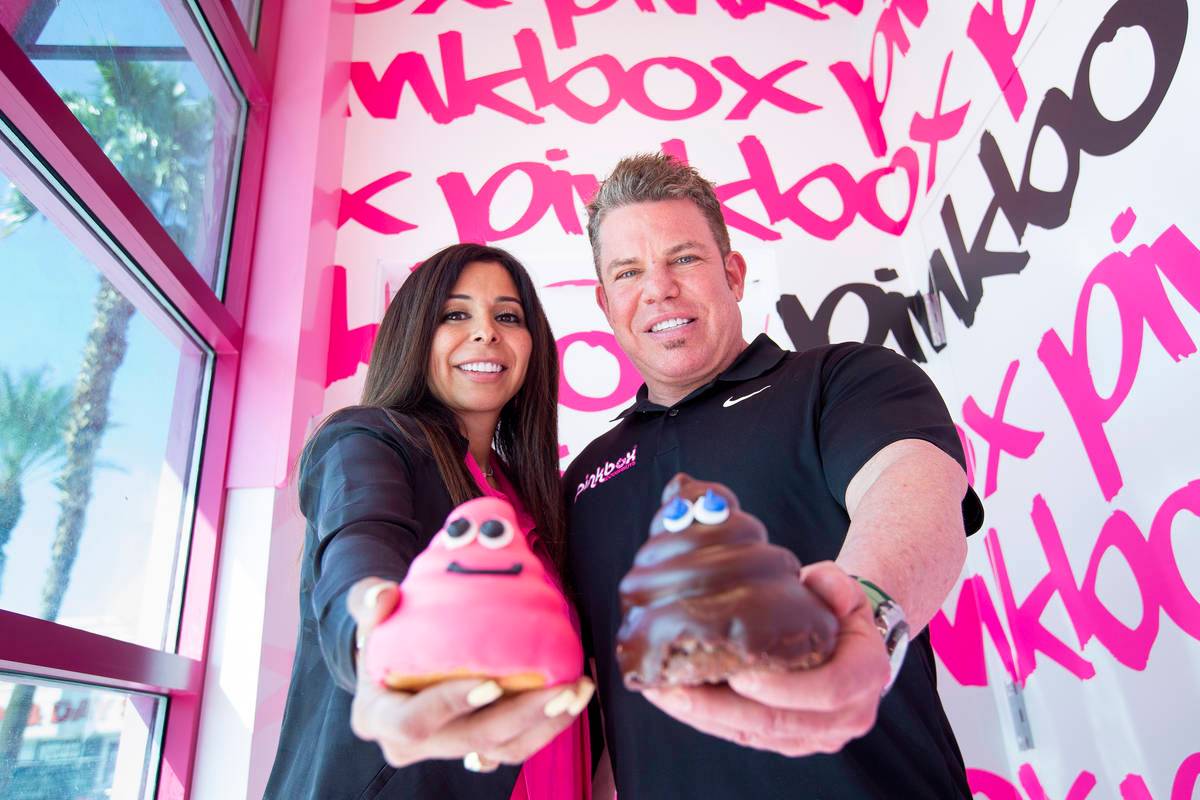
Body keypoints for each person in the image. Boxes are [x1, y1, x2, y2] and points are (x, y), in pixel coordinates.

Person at [563, 154, 985, 799]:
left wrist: (866, 616)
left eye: (684, 258)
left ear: (733, 273)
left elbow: (912, 486)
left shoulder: (843, 381)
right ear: (605, 302)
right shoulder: (584, 481)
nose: (659, 289)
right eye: (628, 272)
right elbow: (617, 702)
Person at [265, 243, 595, 800]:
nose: (486, 332)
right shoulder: (368, 440)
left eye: (507, 316)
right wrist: (372, 644)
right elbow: (359, 543)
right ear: (416, 334)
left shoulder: (533, 498)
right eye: (455, 314)